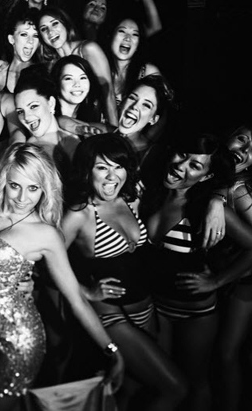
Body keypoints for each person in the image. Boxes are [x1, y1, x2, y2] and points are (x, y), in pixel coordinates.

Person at [0, 143, 123, 411]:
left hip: (17, 340)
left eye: (33, 188)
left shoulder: (45, 234)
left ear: (44, 189)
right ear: (4, 179)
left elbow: (76, 299)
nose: (22, 197)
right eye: (15, 185)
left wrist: (112, 350)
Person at [62, 133, 186, 411]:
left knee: (132, 393)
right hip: (112, 317)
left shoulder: (131, 199)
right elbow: (46, 263)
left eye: (118, 166)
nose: (111, 176)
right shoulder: (79, 214)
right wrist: (85, 291)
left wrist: (216, 200)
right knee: (176, 388)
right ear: (87, 171)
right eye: (102, 167)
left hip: (146, 309)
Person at [141, 132, 252, 411]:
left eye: (195, 165)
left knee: (196, 383)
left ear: (205, 177)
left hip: (193, 314)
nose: (181, 166)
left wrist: (217, 281)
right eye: (182, 155)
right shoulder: (152, 193)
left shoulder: (205, 209)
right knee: (165, 384)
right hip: (156, 308)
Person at [214, 122, 252, 411]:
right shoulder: (217, 179)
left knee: (227, 354)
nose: (245, 149)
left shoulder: (239, 192)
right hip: (229, 279)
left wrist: (219, 280)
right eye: (241, 139)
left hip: (244, 283)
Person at [37, 6, 118, 126]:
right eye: (44, 29)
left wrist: (114, 130)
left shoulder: (88, 49)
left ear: (65, 24)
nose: (50, 32)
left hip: (95, 119)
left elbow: (108, 92)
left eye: (55, 24)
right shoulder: (50, 64)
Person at [0, 7, 41, 95]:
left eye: (35, 36)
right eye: (24, 34)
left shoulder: (41, 75)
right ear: (11, 39)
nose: (31, 41)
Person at [50, 54, 103, 123]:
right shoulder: (47, 114)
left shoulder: (91, 113)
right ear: (57, 82)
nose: (77, 84)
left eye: (82, 78)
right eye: (68, 78)